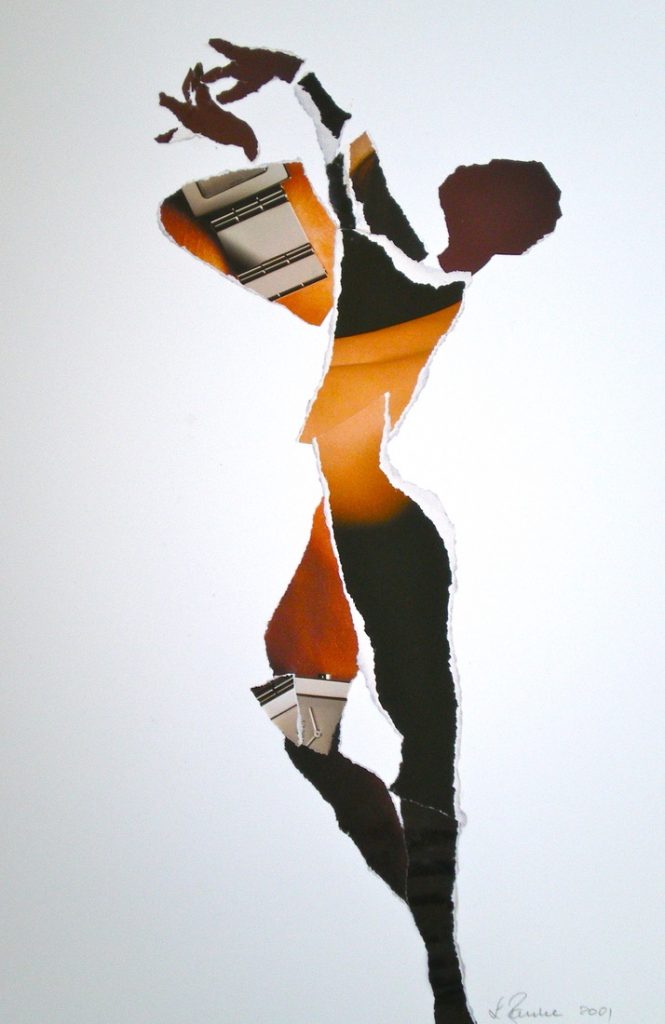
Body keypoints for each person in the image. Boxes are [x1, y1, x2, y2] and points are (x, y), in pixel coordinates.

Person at [157, 39, 561, 1024]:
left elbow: (353, 180)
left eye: (480, 173)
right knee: (315, 722)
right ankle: (435, 946)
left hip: (378, 524)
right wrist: (259, 129)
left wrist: (299, 79)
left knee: (418, 738)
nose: (460, 167)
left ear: (491, 216)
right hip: (347, 522)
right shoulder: (409, 263)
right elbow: (345, 196)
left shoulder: (406, 269)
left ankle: (443, 970)